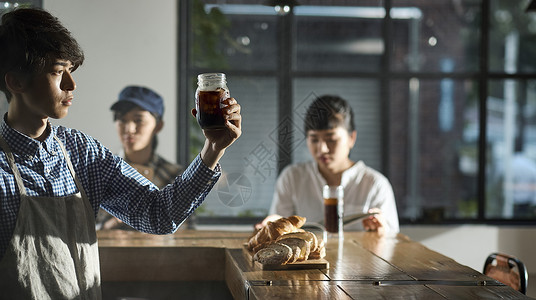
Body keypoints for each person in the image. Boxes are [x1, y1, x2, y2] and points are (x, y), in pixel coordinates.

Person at [0, 7, 241, 299]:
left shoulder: (82, 153)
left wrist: (212, 149)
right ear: (15, 81)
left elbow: (159, 214)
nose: (71, 85)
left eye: (71, 72)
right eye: (57, 72)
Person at [258, 95, 399, 234]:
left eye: (331, 139)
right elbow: (278, 226)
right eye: (314, 140)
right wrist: (271, 225)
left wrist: (382, 232)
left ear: (352, 138)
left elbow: (393, 242)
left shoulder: (376, 184)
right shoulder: (292, 178)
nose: (322, 149)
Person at [96, 85, 188, 230]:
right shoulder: (100, 171)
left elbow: (187, 231)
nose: (129, 129)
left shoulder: (176, 176)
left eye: (138, 120)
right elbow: (83, 227)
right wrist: (106, 228)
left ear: (158, 126)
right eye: (122, 120)